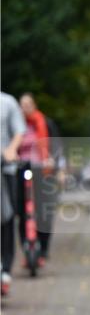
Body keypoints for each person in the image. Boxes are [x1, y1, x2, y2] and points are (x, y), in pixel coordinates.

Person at [17, 93, 61, 266]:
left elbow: (56, 146)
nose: (25, 108)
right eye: (22, 105)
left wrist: (53, 162)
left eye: (28, 104)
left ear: (34, 105)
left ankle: (43, 249)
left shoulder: (45, 123)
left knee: (44, 210)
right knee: (22, 210)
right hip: (21, 169)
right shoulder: (17, 124)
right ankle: (26, 248)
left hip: (43, 170)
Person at [1, 91, 26, 297]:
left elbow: (19, 132)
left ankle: (6, 270)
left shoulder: (7, 102)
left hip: (5, 168)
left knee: (7, 216)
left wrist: (11, 150)